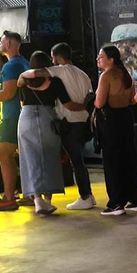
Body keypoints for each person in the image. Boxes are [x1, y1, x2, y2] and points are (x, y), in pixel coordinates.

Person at [17, 51, 79, 216]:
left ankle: (37, 200)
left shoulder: (23, 80)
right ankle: (48, 201)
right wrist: (86, 106)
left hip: (26, 118)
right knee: (50, 157)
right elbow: (67, 103)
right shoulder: (55, 81)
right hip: (47, 119)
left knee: (31, 158)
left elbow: (22, 102)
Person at [94, 44, 137, 215]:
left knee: (112, 161)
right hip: (126, 117)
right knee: (129, 158)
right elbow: (132, 100)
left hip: (111, 120)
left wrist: (90, 99)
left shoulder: (106, 76)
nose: (98, 59)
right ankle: (136, 199)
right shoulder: (126, 74)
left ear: (111, 59)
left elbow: (99, 103)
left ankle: (116, 202)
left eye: (101, 56)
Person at [48, 43, 96, 211]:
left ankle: (85, 196)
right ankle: (88, 194)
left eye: (52, 57)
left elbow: (38, 72)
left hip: (70, 123)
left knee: (76, 162)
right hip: (85, 122)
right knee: (80, 160)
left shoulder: (61, 71)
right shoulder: (83, 74)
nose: (52, 61)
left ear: (58, 56)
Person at [0, 31, 28, 211]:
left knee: (3, 155)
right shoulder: (23, 62)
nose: (0, 44)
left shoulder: (10, 66)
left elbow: (8, 93)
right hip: (22, 114)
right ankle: (32, 194)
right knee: (24, 156)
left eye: (2, 41)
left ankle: (9, 196)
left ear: (8, 43)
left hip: (11, 116)